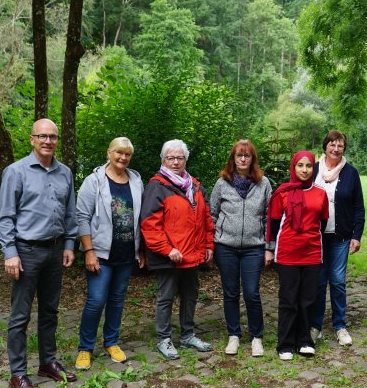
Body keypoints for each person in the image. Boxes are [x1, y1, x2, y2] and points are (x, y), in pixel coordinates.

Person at [0, 118, 79, 388]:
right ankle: (18, 373)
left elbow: (70, 212)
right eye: (42, 136)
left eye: (52, 137)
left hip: (55, 251)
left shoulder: (65, 173)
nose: (48, 141)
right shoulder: (16, 172)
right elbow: (5, 217)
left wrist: (69, 244)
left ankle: (47, 362)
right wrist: (10, 253)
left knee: (50, 311)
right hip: (26, 252)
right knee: (20, 316)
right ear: (32, 139)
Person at [141, 139, 216, 360]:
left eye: (179, 158)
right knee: (166, 297)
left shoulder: (195, 186)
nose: (175, 162)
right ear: (163, 160)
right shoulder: (157, 187)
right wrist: (167, 249)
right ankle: (164, 338)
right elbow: (149, 224)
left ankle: (187, 335)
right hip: (170, 256)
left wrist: (208, 245)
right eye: (170, 158)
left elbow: (206, 218)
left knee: (190, 295)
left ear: (185, 160)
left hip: (192, 253)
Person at [74, 137, 144, 369]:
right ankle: (85, 348)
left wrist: (141, 250)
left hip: (126, 254)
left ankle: (111, 342)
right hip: (101, 254)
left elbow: (140, 218)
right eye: (119, 153)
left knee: (117, 300)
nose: (123, 158)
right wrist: (89, 251)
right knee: (96, 301)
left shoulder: (136, 181)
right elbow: (81, 217)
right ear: (109, 153)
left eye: (127, 154)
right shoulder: (94, 181)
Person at [210, 140, 273, 357]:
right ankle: (234, 335)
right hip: (225, 246)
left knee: (251, 292)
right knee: (230, 293)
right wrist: (212, 243)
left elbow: (269, 217)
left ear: (253, 159)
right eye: (239, 156)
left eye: (247, 156)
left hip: (253, 248)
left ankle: (256, 337)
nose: (243, 159)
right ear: (233, 159)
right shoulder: (222, 183)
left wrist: (269, 248)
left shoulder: (263, 183)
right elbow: (212, 214)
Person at [266, 151, 329, 360]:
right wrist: (269, 249)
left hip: (312, 253)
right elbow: (274, 223)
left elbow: (322, 222)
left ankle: (304, 341)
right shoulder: (282, 193)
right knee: (288, 299)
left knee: (308, 299)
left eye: (309, 166)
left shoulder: (320, 193)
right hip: (288, 253)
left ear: (313, 168)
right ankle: (285, 343)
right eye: (300, 165)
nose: (304, 170)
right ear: (293, 168)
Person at [309, 130, 365, 346]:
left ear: (344, 148)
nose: (335, 148)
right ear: (325, 146)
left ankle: (340, 326)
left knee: (338, 281)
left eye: (340, 145)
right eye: (332, 144)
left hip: (341, 236)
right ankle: (315, 326)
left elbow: (359, 207)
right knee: (318, 281)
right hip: (316, 236)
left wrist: (357, 236)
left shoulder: (351, 172)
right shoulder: (313, 169)